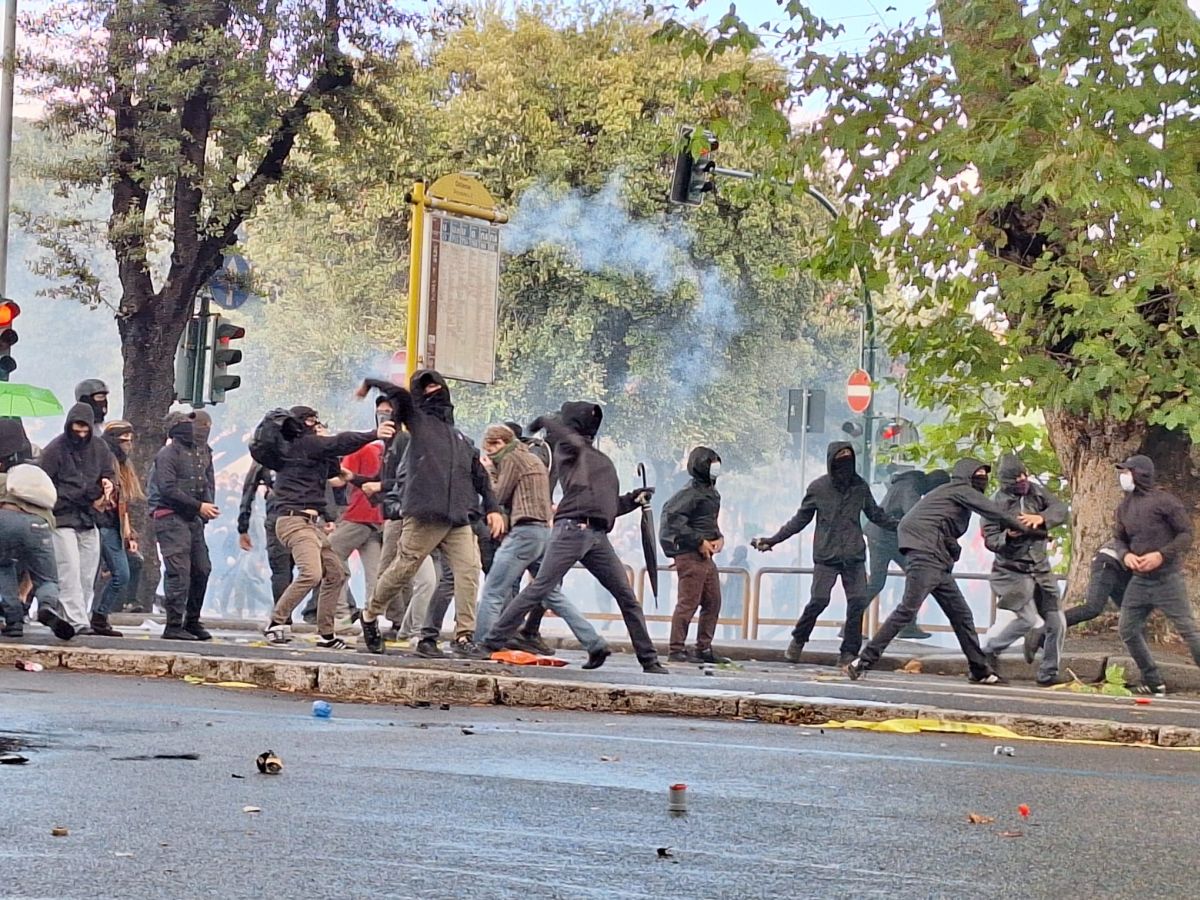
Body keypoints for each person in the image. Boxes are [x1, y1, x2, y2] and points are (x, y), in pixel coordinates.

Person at [480, 402, 664, 673]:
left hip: (597, 535)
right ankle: (493, 640)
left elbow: (608, 504)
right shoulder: (568, 450)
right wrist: (542, 420)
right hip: (572, 529)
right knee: (540, 588)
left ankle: (648, 660)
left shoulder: (599, 460)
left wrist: (633, 499)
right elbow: (565, 435)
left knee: (626, 597)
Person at [846, 458, 1037, 684]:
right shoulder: (960, 490)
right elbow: (995, 512)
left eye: (984, 475)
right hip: (926, 558)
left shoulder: (949, 499)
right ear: (965, 476)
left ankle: (980, 670)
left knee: (961, 615)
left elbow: (941, 529)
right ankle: (863, 661)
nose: (983, 479)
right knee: (907, 610)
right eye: (978, 474)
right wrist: (1030, 529)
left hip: (937, 563)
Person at [359, 370, 503, 657]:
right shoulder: (417, 421)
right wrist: (371, 383)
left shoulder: (460, 437)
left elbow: (480, 476)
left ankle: (463, 636)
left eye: (436, 384)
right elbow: (399, 396)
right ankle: (370, 615)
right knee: (403, 569)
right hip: (425, 514)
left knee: (469, 571)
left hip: (458, 517)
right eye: (425, 387)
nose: (433, 389)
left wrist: (493, 509)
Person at [752, 442, 898, 666]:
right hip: (826, 556)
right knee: (819, 600)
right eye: (840, 456)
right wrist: (773, 540)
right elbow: (800, 520)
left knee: (858, 601)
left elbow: (876, 514)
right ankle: (798, 639)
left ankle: (848, 652)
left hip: (854, 556)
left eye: (849, 456)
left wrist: (902, 526)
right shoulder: (818, 488)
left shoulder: (860, 486)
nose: (845, 461)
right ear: (831, 460)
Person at [473, 424, 608, 662]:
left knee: (493, 590)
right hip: (544, 533)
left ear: (502, 442)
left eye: (491, 446)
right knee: (551, 593)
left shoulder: (513, 458)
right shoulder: (534, 459)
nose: (490, 452)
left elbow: (498, 495)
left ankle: (483, 644)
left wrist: (488, 472)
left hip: (524, 533)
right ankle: (594, 642)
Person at [263, 405, 393, 649]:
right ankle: (275, 623)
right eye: (312, 421)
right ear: (301, 424)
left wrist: (369, 484)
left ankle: (326, 634)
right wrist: (374, 434)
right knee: (311, 573)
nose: (317, 425)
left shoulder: (311, 452)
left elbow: (339, 473)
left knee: (336, 573)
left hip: (311, 524)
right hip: (294, 521)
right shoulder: (302, 444)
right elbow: (341, 442)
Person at [1112, 455, 1199, 696]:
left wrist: (1161, 555)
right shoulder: (1124, 507)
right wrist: (1125, 555)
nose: (1123, 477)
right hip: (1139, 581)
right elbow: (1119, 538)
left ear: (1140, 474)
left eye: (1127, 471)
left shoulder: (1166, 502)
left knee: (1188, 631)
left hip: (1168, 579)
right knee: (1127, 629)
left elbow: (1186, 534)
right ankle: (1153, 680)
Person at [978, 455, 1069, 685]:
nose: (1022, 480)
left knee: (1057, 622)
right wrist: (1008, 536)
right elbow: (990, 539)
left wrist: (1041, 518)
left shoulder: (1037, 492)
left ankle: (1049, 673)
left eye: (1024, 474)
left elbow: (1060, 508)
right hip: (1012, 570)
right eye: (1016, 477)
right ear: (1005, 480)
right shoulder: (994, 504)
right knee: (1027, 619)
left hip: (1041, 568)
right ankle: (990, 649)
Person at [38, 402, 115, 630]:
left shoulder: (100, 448)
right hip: (62, 517)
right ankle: (77, 619)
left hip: (89, 517)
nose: (80, 435)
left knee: (86, 573)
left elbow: (109, 472)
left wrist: (108, 483)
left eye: (85, 430)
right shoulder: (55, 449)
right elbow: (43, 483)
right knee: (68, 568)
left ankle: (72, 614)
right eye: (77, 429)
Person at [148, 411, 217, 640]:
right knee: (179, 572)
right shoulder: (168, 454)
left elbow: (206, 481)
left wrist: (206, 509)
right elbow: (167, 488)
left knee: (202, 568)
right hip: (170, 517)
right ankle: (174, 624)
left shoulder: (203, 451)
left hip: (193, 519)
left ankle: (192, 621)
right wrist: (199, 506)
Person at [326, 394, 393, 625]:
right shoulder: (393, 448)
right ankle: (374, 614)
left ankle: (342, 612)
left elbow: (340, 479)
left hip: (357, 514)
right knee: (375, 570)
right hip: (379, 517)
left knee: (330, 556)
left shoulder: (361, 449)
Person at [660, 446, 730, 664]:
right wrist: (698, 541)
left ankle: (703, 647)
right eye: (711, 463)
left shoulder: (710, 493)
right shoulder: (688, 494)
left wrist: (718, 538)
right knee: (688, 602)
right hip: (690, 556)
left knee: (713, 601)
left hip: (707, 557)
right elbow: (673, 520)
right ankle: (676, 649)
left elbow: (708, 522)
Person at [863, 468, 950, 640]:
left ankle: (907, 624)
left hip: (885, 537)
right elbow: (915, 516)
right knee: (886, 581)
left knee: (909, 577)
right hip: (884, 538)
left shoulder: (908, 484)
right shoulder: (910, 487)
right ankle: (851, 623)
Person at [0, 461, 75, 640]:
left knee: (3, 566)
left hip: (5, 520)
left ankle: (13, 621)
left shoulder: (4, 480)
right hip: (39, 525)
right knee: (47, 578)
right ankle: (47, 607)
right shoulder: (42, 495)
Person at [1025, 540, 1131, 660]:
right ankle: (1042, 630)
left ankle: (1138, 654)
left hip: (1122, 568)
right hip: (1109, 561)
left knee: (1132, 610)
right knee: (1093, 607)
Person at [91, 421, 145, 636]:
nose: (128, 445)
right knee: (93, 575)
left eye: (130, 441)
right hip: (99, 524)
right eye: (123, 441)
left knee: (122, 574)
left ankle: (99, 615)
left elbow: (123, 505)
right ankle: (94, 616)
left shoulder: (124, 467)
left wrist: (129, 533)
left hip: (112, 527)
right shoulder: (103, 463)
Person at [237, 463, 293, 602]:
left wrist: (243, 527)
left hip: (279, 514)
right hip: (302, 515)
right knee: (289, 569)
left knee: (282, 569)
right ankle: (284, 615)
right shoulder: (306, 447)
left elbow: (249, 490)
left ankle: (282, 617)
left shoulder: (264, 452)